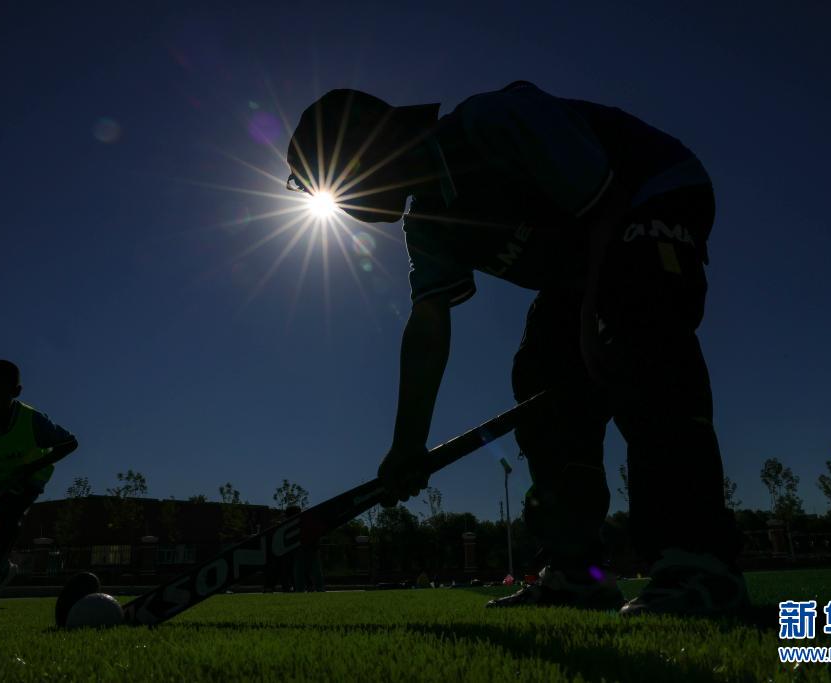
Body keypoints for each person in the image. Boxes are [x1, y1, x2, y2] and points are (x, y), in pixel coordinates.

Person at [285, 81, 746, 617]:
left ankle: (700, 562)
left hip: (650, 191)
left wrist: (593, 321)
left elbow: (608, 204)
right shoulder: (427, 225)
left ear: (368, 143)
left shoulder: (495, 121)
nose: (339, 203)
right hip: (585, 262)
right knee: (539, 377)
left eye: (330, 182)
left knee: (636, 327)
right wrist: (407, 446)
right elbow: (429, 326)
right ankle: (578, 571)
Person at [0, 360, 77, 605]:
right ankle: (1, 566)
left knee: (5, 525)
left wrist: (30, 468)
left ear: (15, 391)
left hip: (28, 479)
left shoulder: (33, 420)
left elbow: (69, 443)